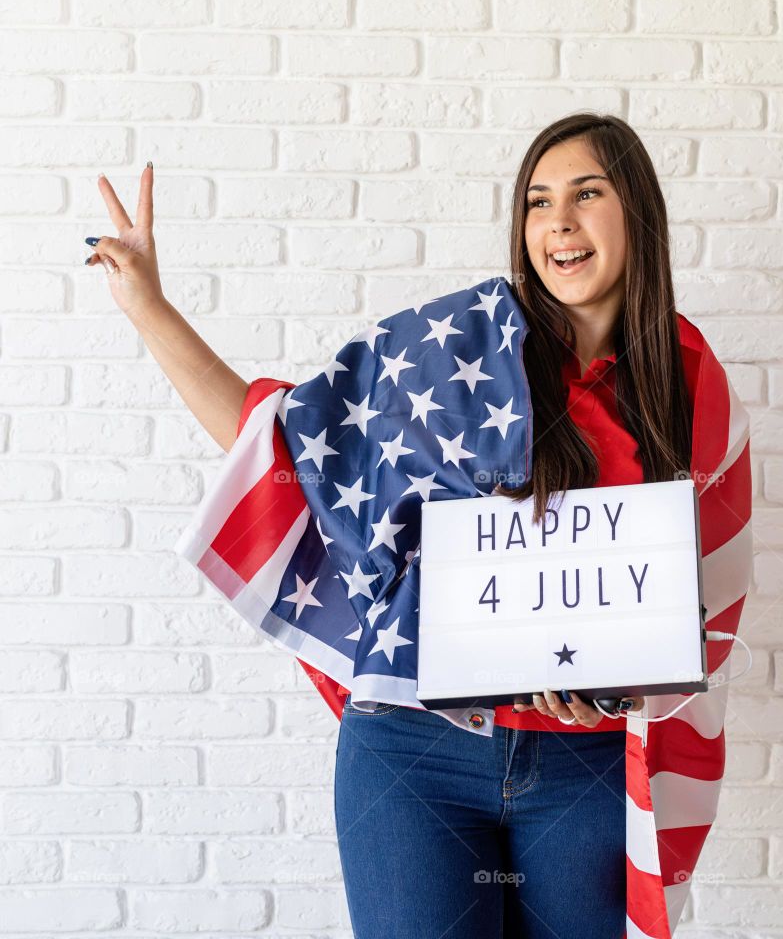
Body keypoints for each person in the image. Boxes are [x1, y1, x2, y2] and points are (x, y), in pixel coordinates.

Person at [87, 113, 703, 939]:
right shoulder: (453, 351)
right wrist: (147, 304)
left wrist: (625, 681)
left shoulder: (688, 381)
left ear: (639, 214)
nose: (559, 220)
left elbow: (700, 610)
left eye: (588, 194)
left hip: (583, 768)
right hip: (414, 755)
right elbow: (281, 440)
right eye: (537, 201)